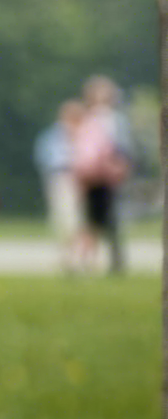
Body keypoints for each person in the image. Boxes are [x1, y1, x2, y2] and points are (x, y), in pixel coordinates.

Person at [73, 75, 137, 275]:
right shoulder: (88, 118)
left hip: (110, 176)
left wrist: (121, 166)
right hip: (92, 177)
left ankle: (114, 261)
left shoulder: (116, 120)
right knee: (92, 220)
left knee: (112, 219)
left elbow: (124, 148)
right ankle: (86, 261)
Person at [34, 99, 87, 274]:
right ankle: (67, 256)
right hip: (60, 177)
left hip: (81, 178)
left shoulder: (84, 133)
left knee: (78, 219)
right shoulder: (54, 135)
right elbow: (46, 157)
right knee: (64, 218)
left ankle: (78, 256)